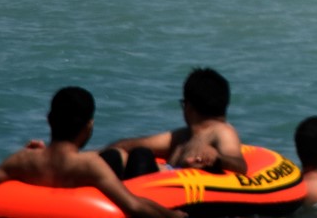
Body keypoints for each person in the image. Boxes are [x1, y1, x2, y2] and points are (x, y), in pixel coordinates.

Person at [0, 86, 185, 218]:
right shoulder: (88, 165)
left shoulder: (22, 160)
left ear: (50, 119)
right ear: (88, 127)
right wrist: (173, 216)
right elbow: (134, 206)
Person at [103, 68, 247, 177]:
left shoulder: (222, 131)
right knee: (121, 155)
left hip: (181, 199)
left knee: (141, 156)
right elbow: (127, 145)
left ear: (188, 107)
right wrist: (93, 158)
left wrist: (216, 159)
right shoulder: (182, 136)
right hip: (161, 189)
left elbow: (239, 165)